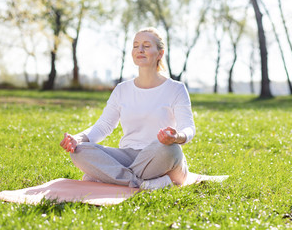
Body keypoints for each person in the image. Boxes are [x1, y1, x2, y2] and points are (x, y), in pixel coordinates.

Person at [60, 27, 195, 190]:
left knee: (172, 150)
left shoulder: (175, 89)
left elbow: (188, 127)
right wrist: (78, 138)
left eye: (146, 45)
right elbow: (104, 126)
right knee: (79, 150)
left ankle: (108, 177)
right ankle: (144, 183)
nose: (140, 49)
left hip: (159, 154)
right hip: (127, 156)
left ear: (160, 53)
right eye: (136, 45)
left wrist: (177, 137)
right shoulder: (122, 89)